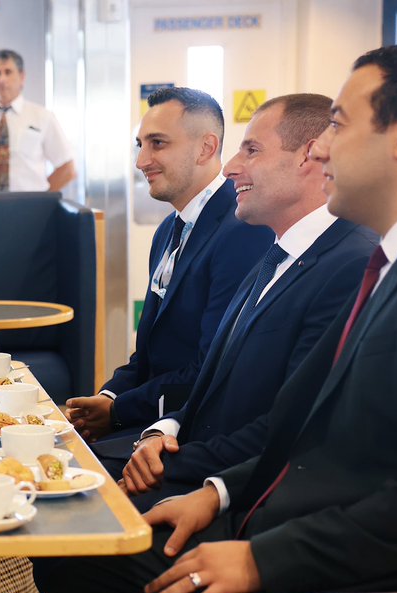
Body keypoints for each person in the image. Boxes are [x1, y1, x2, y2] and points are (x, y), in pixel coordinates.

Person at [34, 43, 397, 593]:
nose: (324, 148)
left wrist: (261, 560)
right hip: (268, 516)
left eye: (338, 123)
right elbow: (316, 431)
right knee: (77, 559)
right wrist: (219, 491)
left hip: (362, 580)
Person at [114, 94, 377, 510]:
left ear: (310, 156)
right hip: (193, 456)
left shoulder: (352, 263)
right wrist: (164, 431)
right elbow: (211, 385)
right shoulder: (277, 251)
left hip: (244, 493)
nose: (232, 166)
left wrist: (190, 476)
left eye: (251, 149)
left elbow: (295, 425)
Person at [67, 87, 271, 462]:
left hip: (189, 429)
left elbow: (211, 365)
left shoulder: (241, 229)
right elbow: (149, 350)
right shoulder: (168, 231)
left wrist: (119, 412)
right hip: (148, 413)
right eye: (140, 144)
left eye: (157, 143)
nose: (142, 160)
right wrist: (108, 396)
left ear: (206, 148)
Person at [0, 49, 75, 193]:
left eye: (8, 72)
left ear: (22, 77)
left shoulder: (43, 118)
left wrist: (41, 201)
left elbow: (67, 169)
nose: (1, 80)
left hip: (27, 211)